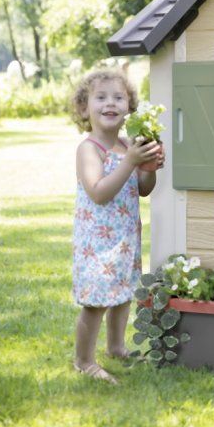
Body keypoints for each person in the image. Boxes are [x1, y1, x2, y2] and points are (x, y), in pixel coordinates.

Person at [70, 69, 163, 383]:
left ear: (129, 108)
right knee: (96, 303)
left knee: (123, 294)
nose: (110, 103)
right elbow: (99, 192)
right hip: (97, 243)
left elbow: (144, 188)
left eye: (118, 97)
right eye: (100, 97)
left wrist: (149, 166)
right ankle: (84, 360)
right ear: (84, 108)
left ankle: (116, 347)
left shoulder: (127, 145)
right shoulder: (89, 149)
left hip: (125, 238)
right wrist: (131, 161)